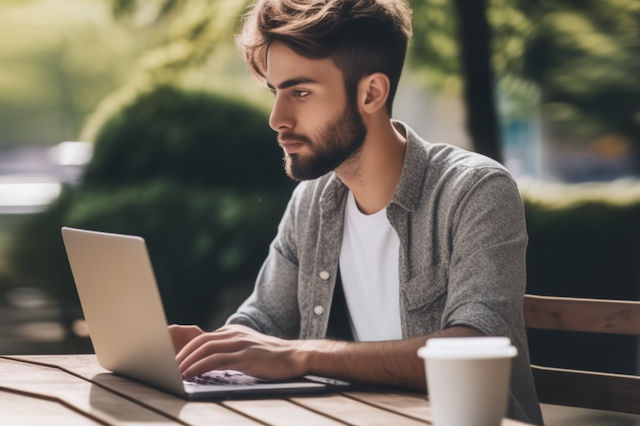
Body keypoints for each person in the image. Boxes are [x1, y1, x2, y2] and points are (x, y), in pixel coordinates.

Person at [169, 0, 543, 423]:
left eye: (301, 92)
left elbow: (475, 348)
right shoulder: (313, 202)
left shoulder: (474, 190)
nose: (277, 118)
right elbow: (264, 322)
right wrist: (210, 348)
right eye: (276, 93)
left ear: (371, 93)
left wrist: (302, 355)